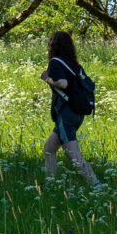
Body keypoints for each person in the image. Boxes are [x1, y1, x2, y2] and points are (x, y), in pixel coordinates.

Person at [42, 30, 101, 187]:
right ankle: (49, 185)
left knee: (73, 155)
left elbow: (63, 83)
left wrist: (47, 78)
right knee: (49, 149)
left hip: (66, 114)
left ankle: (96, 186)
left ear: (52, 45)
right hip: (77, 113)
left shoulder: (55, 62)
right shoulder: (74, 65)